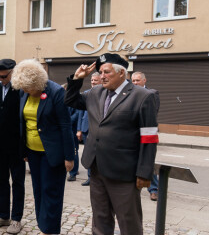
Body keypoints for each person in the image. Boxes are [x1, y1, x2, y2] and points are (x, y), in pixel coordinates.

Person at [65, 53, 158, 235]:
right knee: (100, 219)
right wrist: (77, 79)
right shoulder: (95, 92)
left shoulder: (142, 96)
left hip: (124, 173)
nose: (101, 76)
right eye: (100, 72)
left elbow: (149, 137)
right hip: (97, 168)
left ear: (122, 73)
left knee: (128, 222)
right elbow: (70, 100)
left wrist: (145, 172)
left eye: (106, 72)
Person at [11, 59, 75, 235]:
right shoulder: (24, 93)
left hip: (52, 153)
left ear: (37, 82)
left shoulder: (55, 92)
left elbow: (65, 125)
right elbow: (23, 122)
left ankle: (50, 230)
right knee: (38, 191)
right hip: (32, 152)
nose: (24, 91)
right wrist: (24, 150)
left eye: (27, 87)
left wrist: (69, 157)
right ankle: (43, 227)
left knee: (51, 193)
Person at [0, 59, 25, 234]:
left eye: (4, 76)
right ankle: (3, 216)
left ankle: (16, 219)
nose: (1, 79)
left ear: (13, 72)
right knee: (1, 180)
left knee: (17, 181)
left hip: (16, 143)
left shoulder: (22, 89)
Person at [131, 71, 161, 201]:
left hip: (146, 132)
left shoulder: (152, 94)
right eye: (133, 81)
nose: (135, 83)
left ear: (144, 80)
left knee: (147, 161)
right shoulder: (129, 94)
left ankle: (153, 189)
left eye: (138, 80)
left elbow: (153, 114)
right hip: (132, 134)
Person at [76, 72, 100, 186]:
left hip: (98, 130)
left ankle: (98, 178)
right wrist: (79, 129)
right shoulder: (85, 94)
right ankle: (90, 177)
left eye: (95, 80)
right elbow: (80, 114)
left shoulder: (104, 94)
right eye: (92, 80)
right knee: (88, 153)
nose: (93, 82)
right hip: (86, 129)